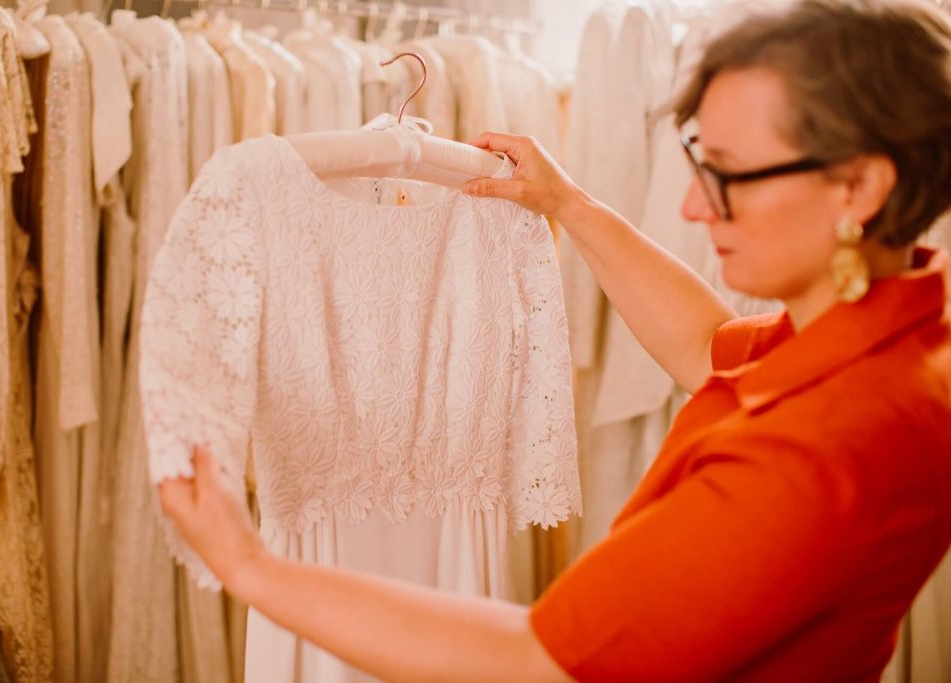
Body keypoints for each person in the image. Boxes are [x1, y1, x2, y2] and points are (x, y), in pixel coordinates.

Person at [157, 0, 951, 679]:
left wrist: (249, 565)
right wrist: (566, 203)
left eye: (728, 175)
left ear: (859, 186)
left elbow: (538, 660)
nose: (693, 210)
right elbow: (709, 343)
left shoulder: (816, 450)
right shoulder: (897, 334)